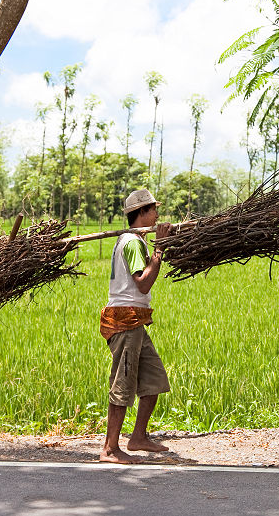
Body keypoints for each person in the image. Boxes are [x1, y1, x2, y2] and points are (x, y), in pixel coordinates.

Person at [99, 188, 173, 464]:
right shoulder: (132, 242)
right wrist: (160, 249)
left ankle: (138, 437)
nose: (157, 213)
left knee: (153, 378)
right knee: (123, 382)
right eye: (153, 209)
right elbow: (142, 284)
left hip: (136, 321)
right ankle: (109, 449)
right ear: (141, 213)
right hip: (125, 319)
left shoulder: (133, 241)